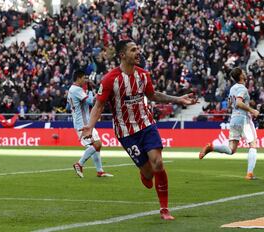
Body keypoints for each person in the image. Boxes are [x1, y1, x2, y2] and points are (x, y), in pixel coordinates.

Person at [80, 40, 198, 220]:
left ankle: (164, 209)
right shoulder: (110, 79)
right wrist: (90, 126)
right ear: (122, 55)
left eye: (138, 49)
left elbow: (153, 95)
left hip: (146, 124)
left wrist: (178, 99)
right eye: (133, 50)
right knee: (149, 173)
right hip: (126, 133)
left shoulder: (143, 75)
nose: (138, 52)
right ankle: (145, 172)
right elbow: (98, 105)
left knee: (158, 162)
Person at [199, 67, 260, 180]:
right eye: (243, 72)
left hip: (233, 119)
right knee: (253, 144)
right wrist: (253, 110)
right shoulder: (243, 88)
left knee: (231, 149)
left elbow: (229, 104)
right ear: (241, 76)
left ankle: (212, 147)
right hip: (244, 119)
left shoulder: (232, 88)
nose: (245, 73)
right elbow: (238, 102)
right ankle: (250, 173)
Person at [68, 69, 113, 178]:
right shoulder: (76, 90)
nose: (85, 80)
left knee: (97, 146)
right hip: (83, 125)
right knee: (97, 144)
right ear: (78, 78)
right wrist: (94, 91)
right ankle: (79, 164)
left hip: (86, 123)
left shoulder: (73, 89)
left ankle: (100, 171)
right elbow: (91, 101)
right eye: (84, 78)